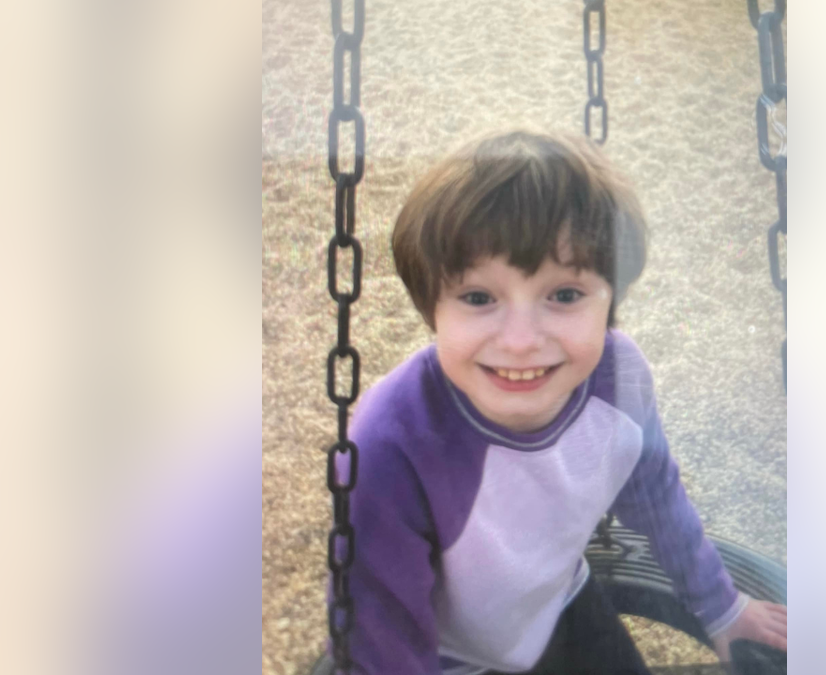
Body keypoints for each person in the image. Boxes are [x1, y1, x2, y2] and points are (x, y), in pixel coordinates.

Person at [328, 130, 787, 674]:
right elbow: (381, 627)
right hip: (448, 659)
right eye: (479, 297)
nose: (521, 341)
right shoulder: (390, 447)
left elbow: (655, 493)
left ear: (610, 297)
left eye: (564, 295)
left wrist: (722, 608)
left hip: (562, 600)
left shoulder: (620, 378)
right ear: (432, 305)